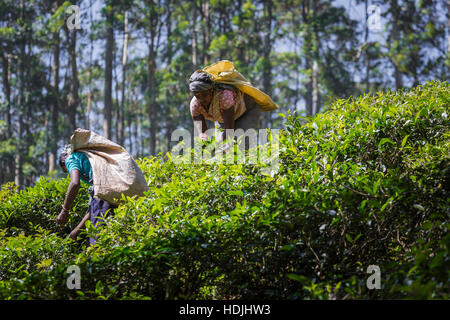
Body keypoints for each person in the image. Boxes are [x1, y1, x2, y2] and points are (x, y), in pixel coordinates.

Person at [56, 144, 116, 245]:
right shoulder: (89, 163)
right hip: (115, 186)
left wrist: (64, 210)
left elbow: (75, 183)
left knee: (99, 237)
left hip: (105, 184)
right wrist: (75, 232)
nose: (69, 173)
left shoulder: (70, 159)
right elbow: (93, 209)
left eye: (67, 172)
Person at [189, 70, 262, 147]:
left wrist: (214, 146)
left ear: (211, 90)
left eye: (204, 95)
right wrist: (206, 145)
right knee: (221, 151)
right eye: (197, 96)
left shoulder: (224, 96)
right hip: (223, 118)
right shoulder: (195, 105)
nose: (201, 100)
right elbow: (203, 133)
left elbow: (229, 130)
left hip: (246, 111)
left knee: (242, 143)